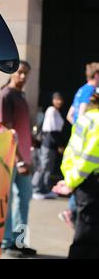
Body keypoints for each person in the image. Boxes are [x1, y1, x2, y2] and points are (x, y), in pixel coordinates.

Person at [0, 60, 37, 258]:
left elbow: (20, 128)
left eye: (26, 73)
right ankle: (7, 243)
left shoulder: (21, 95)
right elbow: (5, 129)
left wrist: (32, 146)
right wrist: (20, 160)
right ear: (12, 72)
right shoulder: (6, 95)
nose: (23, 76)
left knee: (24, 199)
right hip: (11, 157)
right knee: (9, 199)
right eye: (20, 72)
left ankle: (19, 242)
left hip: (24, 158)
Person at [52, 89, 99, 258]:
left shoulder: (86, 119)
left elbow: (72, 151)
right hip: (92, 183)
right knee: (87, 238)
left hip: (82, 183)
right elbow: (90, 158)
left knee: (85, 233)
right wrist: (72, 181)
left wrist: (70, 178)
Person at [62, 62, 99, 228]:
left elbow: (71, 115)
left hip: (77, 142)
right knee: (84, 178)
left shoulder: (80, 90)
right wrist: (87, 127)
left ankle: (71, 211)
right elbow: (84, 113)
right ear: (96, 75)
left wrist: (79, 128)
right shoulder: (91, 91)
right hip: (88, 142)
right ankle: (71, 212)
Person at [32, 92, 65, 199]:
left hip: (53, 145)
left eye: (60, 99)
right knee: (43, 166)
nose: (59, 101)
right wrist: (60, 145)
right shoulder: (51, 110)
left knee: (49, 168)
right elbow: (51, 131)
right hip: (48, 144)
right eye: (57, 99)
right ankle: (35, 188)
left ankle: (45, 189)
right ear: (53, 100)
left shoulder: (57, 112)